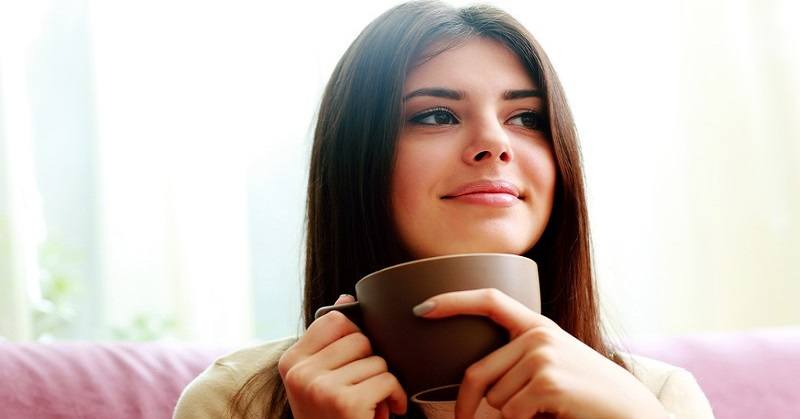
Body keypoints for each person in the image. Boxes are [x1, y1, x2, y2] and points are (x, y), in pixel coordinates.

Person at [174, 1, 715, 418]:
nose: (495, 143)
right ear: (356, 158)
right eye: (435, 115)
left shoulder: (654, 397)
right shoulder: (233, 401)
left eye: (526, 118)